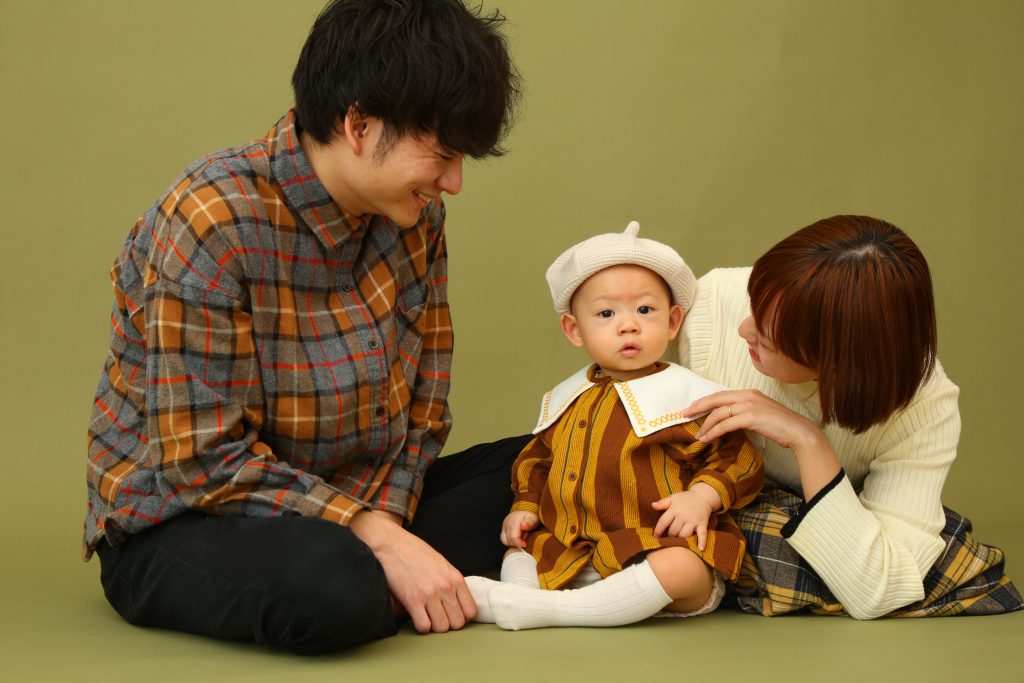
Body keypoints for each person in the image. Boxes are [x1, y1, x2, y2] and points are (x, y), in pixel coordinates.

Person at [84, 0, 526, 654]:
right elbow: (201, 465)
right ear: (359, 124)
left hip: (356, 497)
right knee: (333, 585)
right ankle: (400, 577)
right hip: (191, 515)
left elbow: (425, 408)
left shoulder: (413, 215)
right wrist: (375, 537)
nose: (454, 182)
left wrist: (386, 522)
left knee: (562, 460)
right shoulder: (211, 221)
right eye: (442, 154)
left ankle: (397, 573)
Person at [680, 214, 1023, 619]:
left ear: (839, 361)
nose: (743, 329)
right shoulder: (713, 303)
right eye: (752, 305)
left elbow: (880, 589)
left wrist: (806, 439)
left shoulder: (923, 406)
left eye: (767, 339)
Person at [466, 221, 764, 630]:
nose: (629, 325)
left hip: (653, 546)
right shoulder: (568, 398)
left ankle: (547, 609)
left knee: (684, 567)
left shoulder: (692, 398)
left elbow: (739, 458)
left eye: (645, 310)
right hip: (573, 552)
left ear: (673, 321)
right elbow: (536, 461)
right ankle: (524, 595)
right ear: (574, 329)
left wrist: (701, 498)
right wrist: (525, 506)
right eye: (606, 314)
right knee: (520, 551)